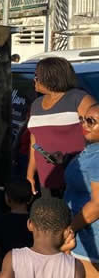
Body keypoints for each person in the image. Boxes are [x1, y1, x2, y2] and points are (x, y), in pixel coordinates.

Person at [27, 57, 96, 198]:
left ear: (50, 77)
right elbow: (35, 142)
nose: (34, 80)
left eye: (37, 76)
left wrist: (70, 157)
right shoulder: (36, 104)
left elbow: (96, 132)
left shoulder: (79, 98)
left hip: (77, 179)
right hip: (46, 180)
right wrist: (30, 173)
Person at [64, 103, 99, 278]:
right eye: (83, 119)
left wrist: (71, 228)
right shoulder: (91, 150)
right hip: (85, 232)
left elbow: (97, 204)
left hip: (91, 233)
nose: (85, 124)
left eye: (92, 121)